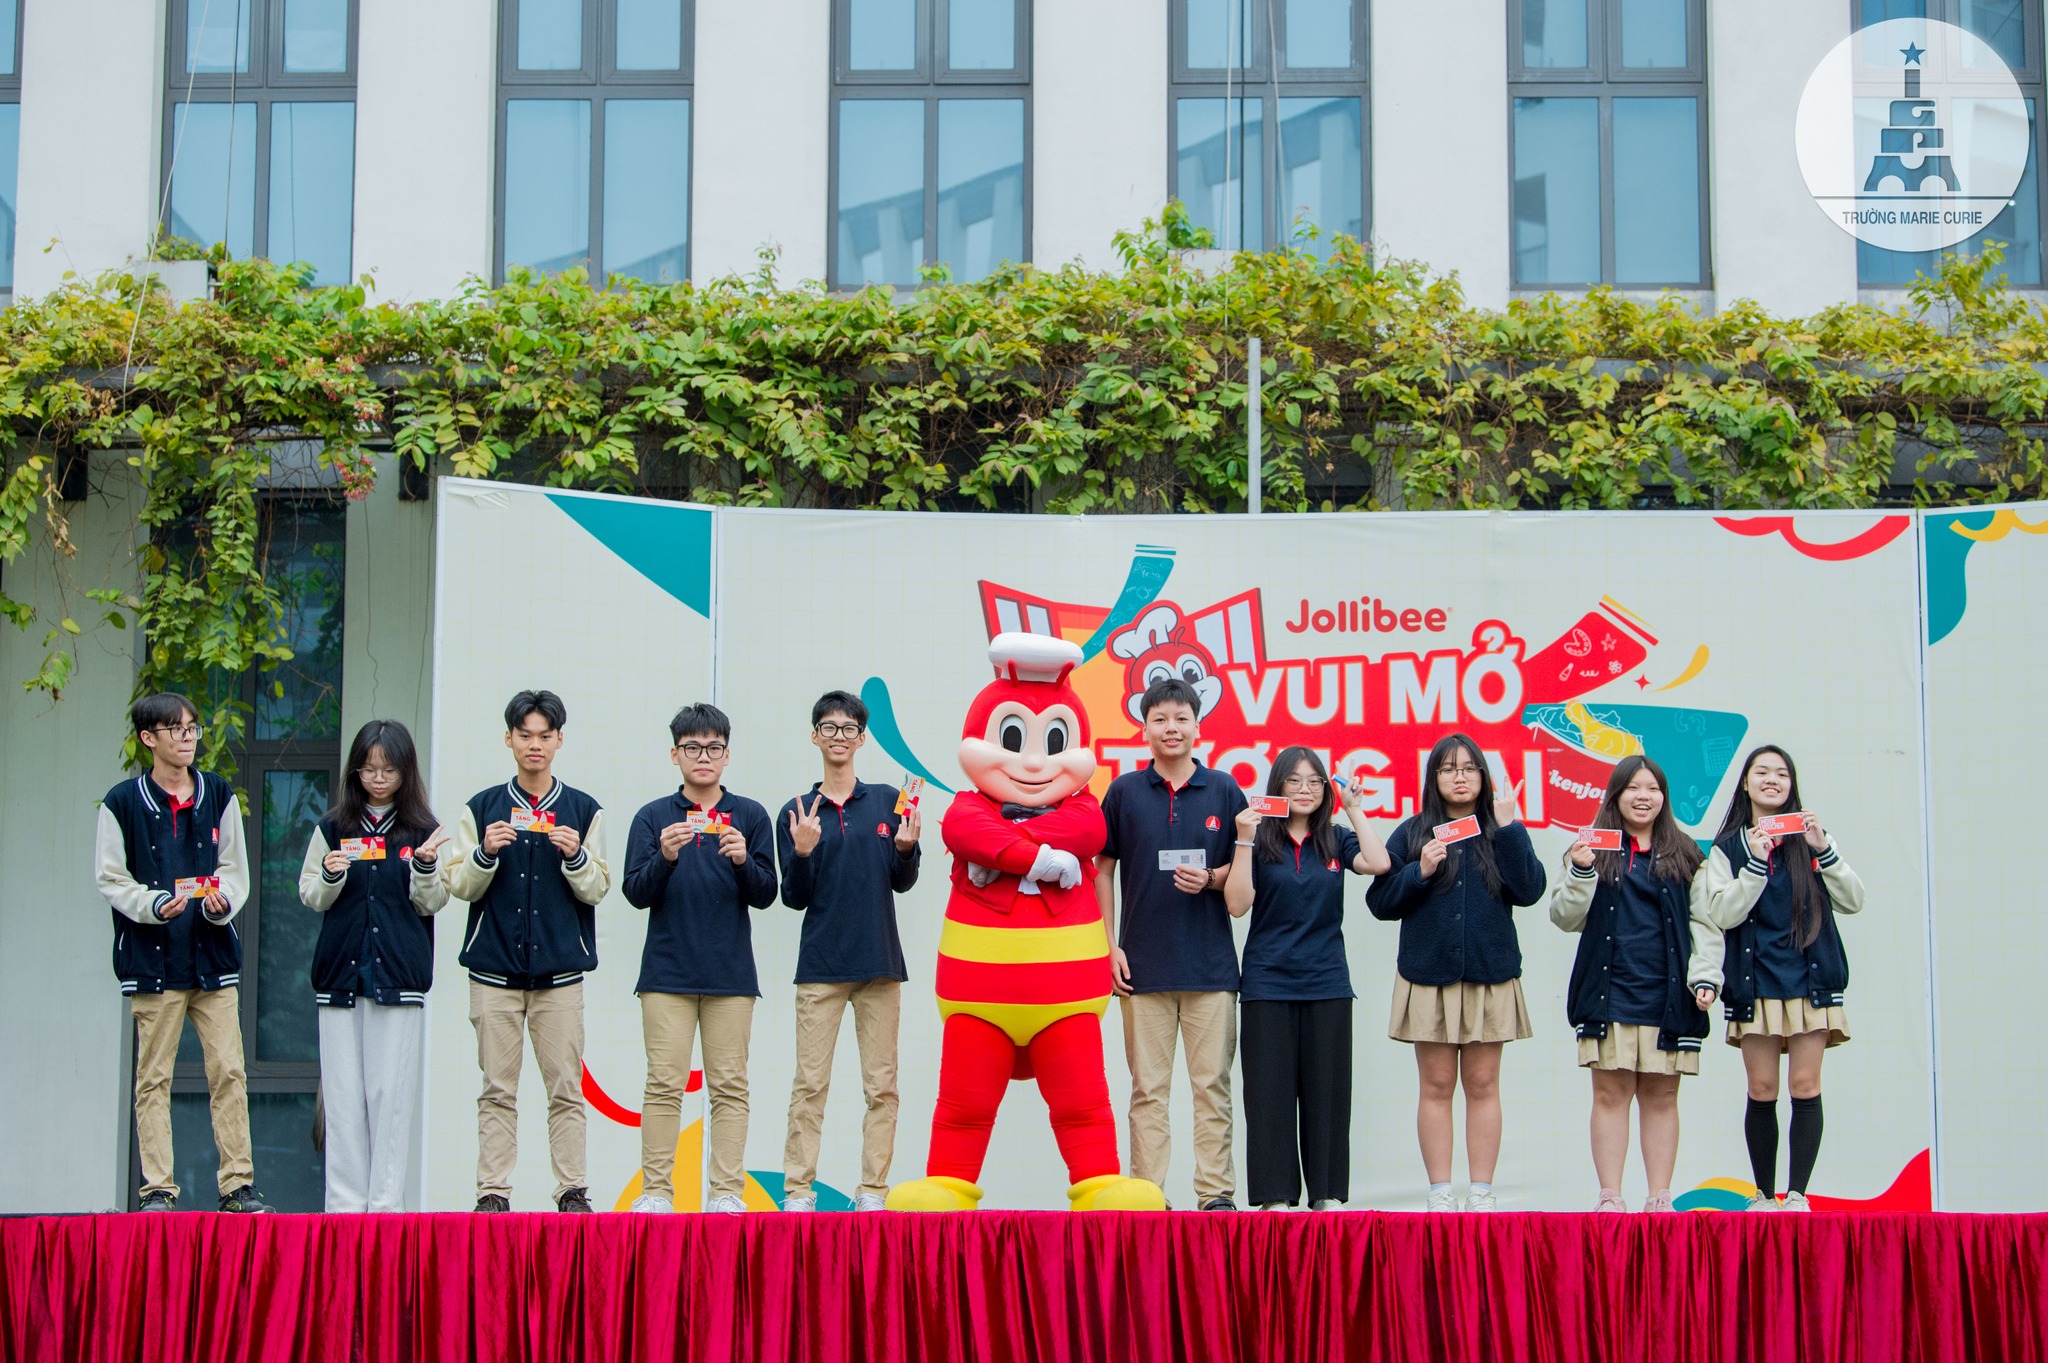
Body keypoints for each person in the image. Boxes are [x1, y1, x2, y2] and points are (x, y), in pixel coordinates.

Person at [94, 692, 272, 1213]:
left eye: (193, 728)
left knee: (229, 1072)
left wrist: (222, 905)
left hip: (212, 957)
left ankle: (237, 1186)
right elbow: (110, 878)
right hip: (153, 962)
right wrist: (153, 904)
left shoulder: (218, 794)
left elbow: (234, 869)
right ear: (148, 738)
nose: (188, 738)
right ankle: (157, 1190)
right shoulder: (121, 802)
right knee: (154, 1079)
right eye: (176, 730)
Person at [444, 689, 611, 1213]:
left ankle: (572, 1190)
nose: (534, 745)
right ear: (509, 739)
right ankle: (492, 1192)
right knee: (497, 1089)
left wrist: (576, 855)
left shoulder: (583, 809)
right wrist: (484, 852)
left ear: (559, 740)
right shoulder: (482, 808)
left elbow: (598, 889)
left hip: (560, 976)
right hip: (492, 974)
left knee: (566, 1089)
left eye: (544, 736)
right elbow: (458, 885)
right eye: (525, 735)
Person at [1366, 732, 1544, 1212]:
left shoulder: (1500, 828)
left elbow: (1530, 890)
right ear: (1433, 778)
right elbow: (1379, 903)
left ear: (1483, 776)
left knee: (1484, 1086)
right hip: (1429, 977)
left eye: (1468, 768)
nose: (1459, 777)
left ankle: (1481, 1191)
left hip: (1490, 975)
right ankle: (1440, 1191)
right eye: (1448, 769)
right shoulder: (1412, 832)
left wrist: (1509, 829)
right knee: (1436, 1086)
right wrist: (1419, 871)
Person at [1689, 744, 1865, 1213]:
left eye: (1782, 773)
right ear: (1745, 784)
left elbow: (1854, 900)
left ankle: (1798, 1195)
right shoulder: (1728, 849)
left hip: (1810, 981)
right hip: (1756, 982)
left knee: (1805, 1085)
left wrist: (1823, 849)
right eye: (1762, 772)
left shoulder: (1812, 839)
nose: (1772, 780)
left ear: (1792, 785)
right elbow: (1722, 914)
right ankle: (1764, 1195)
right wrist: (1754, 863)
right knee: (1762, 1089)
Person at [1095, 676, 1249, 1211]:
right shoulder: (1124, 792)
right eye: (1159, 719)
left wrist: (1211, 878)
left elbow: (1243, 873)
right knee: (1147, 1091)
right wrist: (1108, 945)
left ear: (1197, 726)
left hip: (1211, 968)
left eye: (1181, 718)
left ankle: (1215, 1194)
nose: (1171, 728)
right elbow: (1102, 869)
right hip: (1142, 968)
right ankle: (1147, 1195)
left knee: (1213, 1087)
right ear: (1144, 729)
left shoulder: (1225, 790)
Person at [622, 702, 778, 1214]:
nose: (703, 757)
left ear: (727, 755)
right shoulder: (653, 817)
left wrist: (743, 860)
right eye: (692, 748)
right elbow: (635, 893)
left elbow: (766, 894)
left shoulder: (749, 815)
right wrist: (665, 857)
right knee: (663, 1086)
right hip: (666, 974)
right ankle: (656, 1193)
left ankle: (726, 1192)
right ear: (675, 755)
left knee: (730, 1087)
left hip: (731, 976)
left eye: (713, 748)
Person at [774, 690, 921, 1213]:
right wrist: (802, 853)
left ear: (862, 739)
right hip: (821, 967)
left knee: (882, 1087)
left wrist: (906, 850)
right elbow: (793, 897)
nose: (839, 736)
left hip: (879, 964)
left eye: (849, 728)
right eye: (829, 728)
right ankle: (798, 1191)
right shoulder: (796, 811)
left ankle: (873, 1190)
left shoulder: (888, 800)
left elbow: (902, 881)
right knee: (810, 1084)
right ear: (815, 736)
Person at [1548, 755, 1713, 1213]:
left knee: (1662, 1095)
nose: (1644, 797)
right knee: (1609, 1094)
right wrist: (1581, 871)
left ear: (1664, 797)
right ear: (1615, 796)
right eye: (1633, 788)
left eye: (1653, 788)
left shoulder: (1687, 853)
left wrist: (1705, 977)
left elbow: (1705, 923)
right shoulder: (1590, 847)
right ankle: (1610, 1196)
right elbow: (1564, 917)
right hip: (1609, 992)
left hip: (1668, 993)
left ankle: (1660, 1196)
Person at [297, 719, 449, 1213]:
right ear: (355, 771)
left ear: (406, 771)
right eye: (368, 769)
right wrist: (329, 874)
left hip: (398, 979)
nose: (378, 779)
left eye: (388, 770)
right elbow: (310, 895)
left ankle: (384, 1206)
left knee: (390, 1095)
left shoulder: (422, 830)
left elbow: (432, 901)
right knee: (343, 1097)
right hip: (340, 978)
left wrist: (424, 866)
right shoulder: (332, 828)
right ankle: (344, 1206)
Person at [1233, 747, 1390, 1212]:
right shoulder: (1260, 839)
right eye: (1294, 780)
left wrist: (1354, 808)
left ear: (1325, 790)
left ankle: (1326, 1195)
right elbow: (1237, 905)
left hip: (1327, 984)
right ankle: (1275, 1197)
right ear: (1277, 786)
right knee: (1269, 1096)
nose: (1304, 790)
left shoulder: (1335, 840)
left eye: (1314, 782)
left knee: (1327, 1095)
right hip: (1266, 984)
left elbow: (1379, 863)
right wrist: (1243, 840)